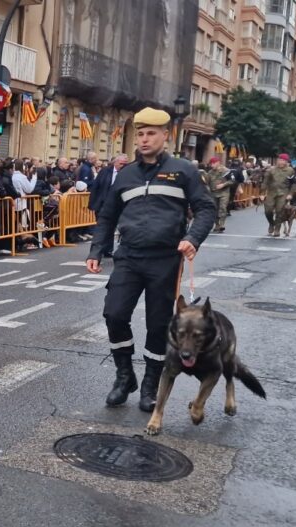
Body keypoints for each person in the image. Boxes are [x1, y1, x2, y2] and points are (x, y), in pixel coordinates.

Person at [86, 107, 216, 412]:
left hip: (165, 259)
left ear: (165, 136)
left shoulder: (183, 170)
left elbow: (206, 209)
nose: (144, 140)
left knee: (158, 325)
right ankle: (124, 376)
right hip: (129, 256)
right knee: (114, 315)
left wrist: (192, 238)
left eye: (151, 134)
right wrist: (96, 251)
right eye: (140, 134)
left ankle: (150, 386)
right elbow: (107, 215)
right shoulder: (126, 174)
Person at [262, 153, 295, 237]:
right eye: (280, 160)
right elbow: (265, 182)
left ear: (286, 162)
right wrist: (262, 193)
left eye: (283, 160)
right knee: (268, 210)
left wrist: (290, 194)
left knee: (279, 211)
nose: (281, 162)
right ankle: (271, 223)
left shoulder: (290, 170)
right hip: (271, 192)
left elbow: (294, 183)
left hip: (283, 193)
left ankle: (277, 228)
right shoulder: (270, 170)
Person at [204, 157, 233, 233]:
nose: (212, 165)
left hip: (224, 192)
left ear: (218, 163)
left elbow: (232, 180)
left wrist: (223, 184)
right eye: (211, 164)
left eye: (213, 163)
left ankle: (222, 224)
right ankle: (217, 224)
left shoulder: (226, 171)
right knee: (214, 209)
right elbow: (206, 183)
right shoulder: (210, 172)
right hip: (213, 193)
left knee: (222, 207)